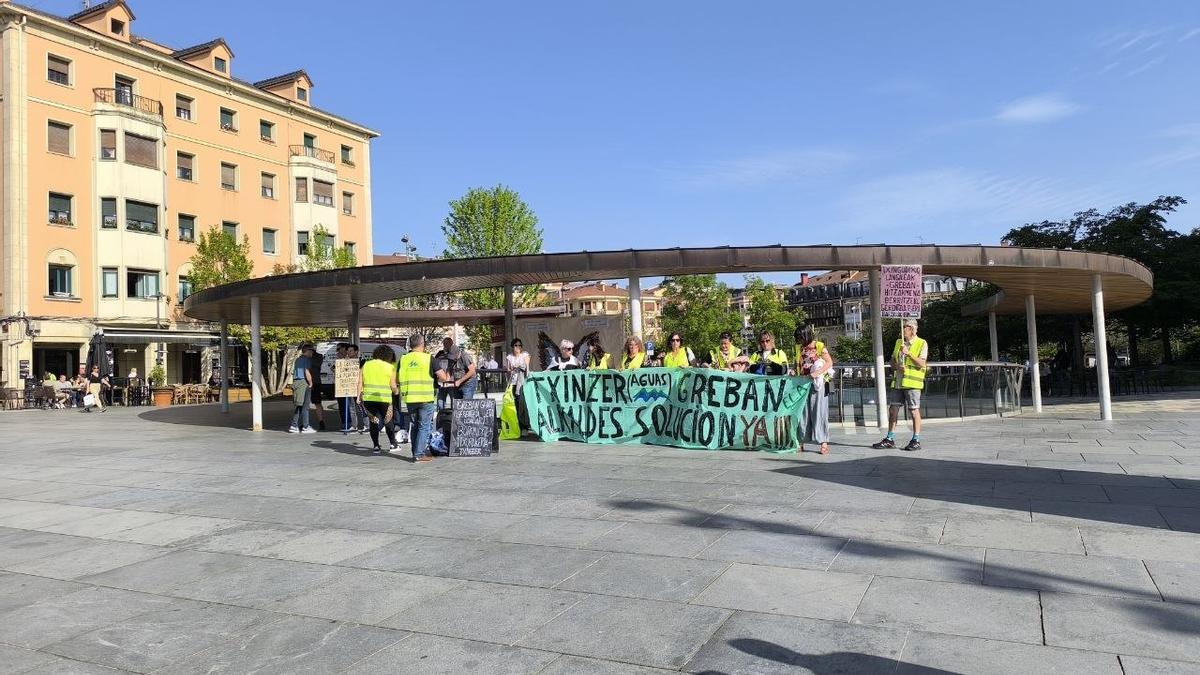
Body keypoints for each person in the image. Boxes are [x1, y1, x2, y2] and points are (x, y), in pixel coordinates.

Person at [873, 319, 928, 452]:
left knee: (914, 411)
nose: (902, 329)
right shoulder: (899, 342)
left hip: (912, 383)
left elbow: (922, 363)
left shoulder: (921, 343)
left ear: (912, 329)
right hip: (898, 382)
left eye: (905, 327)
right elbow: (892, 361)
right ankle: (890, 438)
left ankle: (916, 439)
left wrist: (908, 353)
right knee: (893, 410)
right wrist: (896, 366)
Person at [795, 325, 834, 455]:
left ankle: (823, 442)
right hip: (804, 382)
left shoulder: (819, 346)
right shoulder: (799, 348)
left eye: (800, 337)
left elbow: (829, 363)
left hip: (819, 383)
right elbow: (799, 365)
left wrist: (816, 373)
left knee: (819, 412)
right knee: (803, 412)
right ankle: (801, 441)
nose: (799, 340)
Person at [398, 333, 437, 462]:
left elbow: (397, 377)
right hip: (425, 397)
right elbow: (442, 376)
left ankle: (415, 452)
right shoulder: (428, 358)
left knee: (414, 425)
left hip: (410, 398)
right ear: (422, 344)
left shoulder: (403, 359)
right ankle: (419, 454)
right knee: (424, 426)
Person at [359, 345, 399, 454]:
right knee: (388, 421)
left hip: (368, 399)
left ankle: (376, 446)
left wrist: (359, 396)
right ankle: (393, 444)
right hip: (384, 399)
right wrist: (396, 391)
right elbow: (393, 385)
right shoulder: (390, 367)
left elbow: (360, 382)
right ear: (389, 356)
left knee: (374, 422)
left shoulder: (366, 365)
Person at [434, 337, 477, 403]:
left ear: (458, 354)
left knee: (466, 402)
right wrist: (447, 381)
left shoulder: (465, 356)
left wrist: (460, 381)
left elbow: (472, 371)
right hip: (458, 382)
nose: (452, 359)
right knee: (457, 402)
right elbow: (449, 369)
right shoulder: (451, 358)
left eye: (454, 357)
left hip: (468, 383)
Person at [288, 344, 316, 433]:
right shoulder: (306, 360)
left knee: (299, 406)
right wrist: (311, 383)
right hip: (303, 383)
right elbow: (306, 371)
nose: (312, 353)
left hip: (296, 382)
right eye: (311, 351)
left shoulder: (298, 359)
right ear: (307, 351)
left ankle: (294, 425)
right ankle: (305, 426)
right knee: (305, 406)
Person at [505, 338, 531, 431]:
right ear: (512, 347)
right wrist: (512, 368)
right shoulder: (509, 357)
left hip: (522, 382)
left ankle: (524, 426)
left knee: (522, 404)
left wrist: (520, 367)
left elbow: (527, 368)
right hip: (513, 382)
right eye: (516, 345)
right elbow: (508, 369)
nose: (518, 347)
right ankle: (516, 426)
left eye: (520, 345)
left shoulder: (525, 355)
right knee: (514, 404)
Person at [307, 347, 326, 431]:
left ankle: (321, 421)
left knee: (317, 402)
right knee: (306, 403)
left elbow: (317, 365)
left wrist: (309, 358)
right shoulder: (305, 357)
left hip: (316, 382)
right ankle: (306, 422)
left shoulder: (318, 356)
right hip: (308, 382)